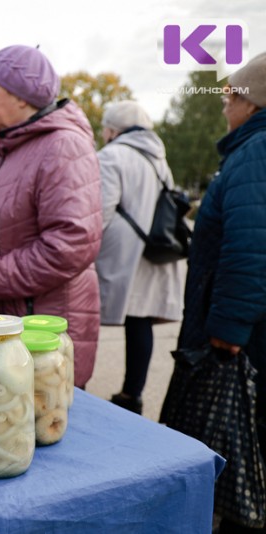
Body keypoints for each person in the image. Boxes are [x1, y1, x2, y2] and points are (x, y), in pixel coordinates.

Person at [0, 45, 103, 389]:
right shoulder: (5, 150)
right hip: (13, 324)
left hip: (43, 330)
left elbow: (70, 245)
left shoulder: (63, 147)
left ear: (22, 97)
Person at [161, 52, 266, 532]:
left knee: (244, 445)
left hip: (243, 339)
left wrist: (225, 331)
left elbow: (250, 246)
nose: (225, 108)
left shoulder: (255, 152)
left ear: (252, 102)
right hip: (248, 328)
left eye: (230, 98)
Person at [94, 100, 185, 415]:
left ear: (113, 130)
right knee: (139, 319)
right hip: (154, 249)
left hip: (121, 253)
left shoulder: (111, 155)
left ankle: (79, 388)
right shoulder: (159, 158)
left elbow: (101, 210)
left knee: (87, 316)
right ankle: (132, 394)